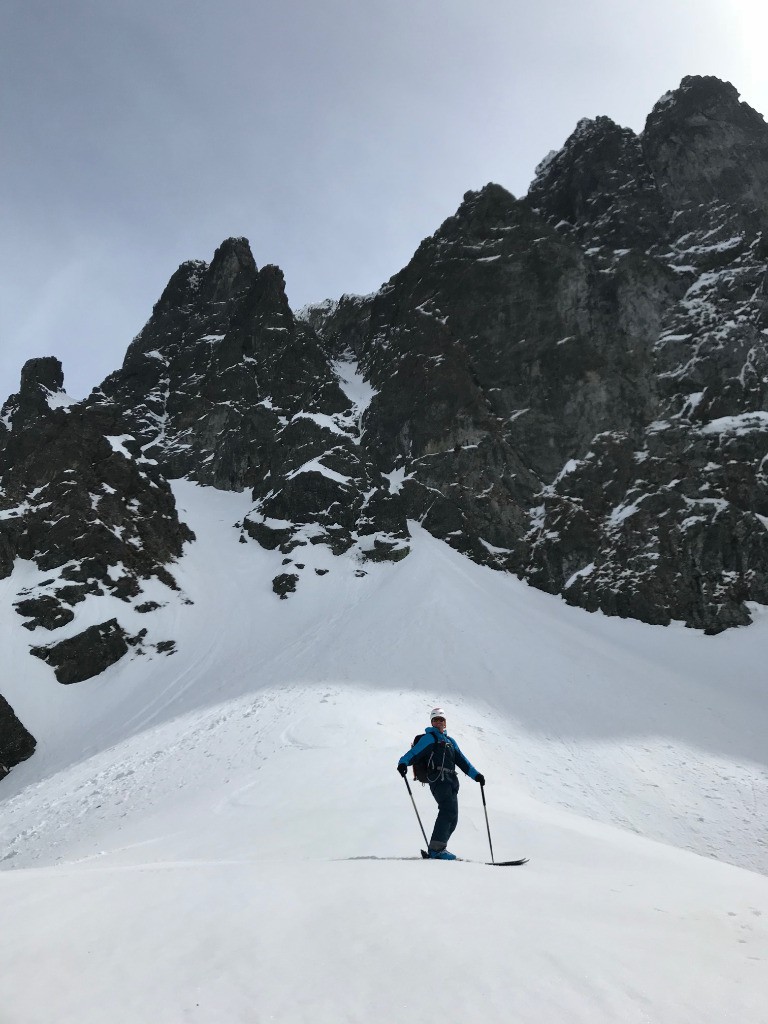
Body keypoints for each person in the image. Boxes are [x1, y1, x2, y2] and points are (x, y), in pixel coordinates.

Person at [397, 707, 485, 860]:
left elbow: (462, 761)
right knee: (447, 810)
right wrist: (403, 763)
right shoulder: (429, 738)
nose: (438, 722)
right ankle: (436, 850)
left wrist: (476, 775)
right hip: (438, 779)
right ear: (432, 722)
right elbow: (414, 753)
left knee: (453, 817)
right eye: (435, 720)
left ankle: (439, 848)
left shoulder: (451, 741)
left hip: (451, 781)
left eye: (441, 720)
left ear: (445, 723)